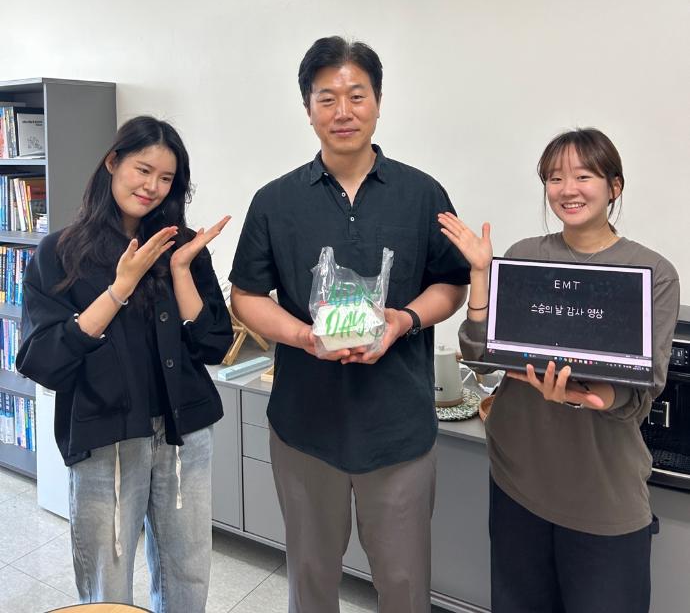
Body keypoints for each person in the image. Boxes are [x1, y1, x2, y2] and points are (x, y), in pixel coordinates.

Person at [230, 36, 470, 613]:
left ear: (378, 102)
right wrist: (302, 336)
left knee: (404, 585)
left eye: (357, 96)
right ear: (307, 108)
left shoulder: (422, 193)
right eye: (327, 98)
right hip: (306, 425)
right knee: (311, 581)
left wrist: (403, 320)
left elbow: (451, 284)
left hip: (398, 428)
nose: (343, 111)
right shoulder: (275, 201)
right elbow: (245, 296)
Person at [438, 127, 680, 613]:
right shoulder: (526, 256)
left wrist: (590, 397)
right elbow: (481, 356)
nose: (567, 189)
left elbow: (643, 389)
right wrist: (482, 274)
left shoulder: (652, 273)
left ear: (614, 186)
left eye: (583, 176)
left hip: (602, 496)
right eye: (554, 178)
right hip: (518, 482)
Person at [16, 116, 233, 613]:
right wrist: (120, 288)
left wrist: (180, 270)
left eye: (166, 178)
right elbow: (44, 359)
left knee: (188, 570)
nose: (152, 187)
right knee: (107, 579)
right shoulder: (60, 252)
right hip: (105, 436)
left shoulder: (181, 245)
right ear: (113, 163)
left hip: (183, 431)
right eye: (143, 170)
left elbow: (213, 344)